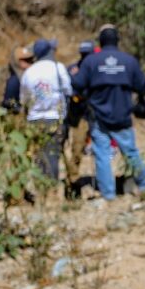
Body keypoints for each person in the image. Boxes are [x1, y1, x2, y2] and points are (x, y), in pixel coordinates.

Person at [73, 25, 145, 200]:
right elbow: (142, 86)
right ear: (117, 41)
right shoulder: (129, 61)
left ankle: (108, 194)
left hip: (99, 116)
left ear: (100, 41)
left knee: (102, 155)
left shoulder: (91, 61)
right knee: (130, 152)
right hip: (123, 115)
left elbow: (77, 84)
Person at [20, 38, 71, 181]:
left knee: (38, 154)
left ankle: (40, 185)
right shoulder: (58, 67)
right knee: (53, 154)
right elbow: (68, 90)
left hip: (34, 119)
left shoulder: (29, 72)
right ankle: (51, 186)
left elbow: (23, 99)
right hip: (55, 117)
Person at [64, 40, 97, 198]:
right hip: (79, 116)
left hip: (97, 113)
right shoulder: (73, 69)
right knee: (77, 149)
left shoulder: (99, 68)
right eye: (83, 54)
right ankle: (73, 181)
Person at [1, 45, 33, 113]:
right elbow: (8, 102)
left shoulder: (26, 77)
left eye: (30, 60)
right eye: (25, 61)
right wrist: (21, 109)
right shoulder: (15, 81)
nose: (30, 63)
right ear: (17, 62)